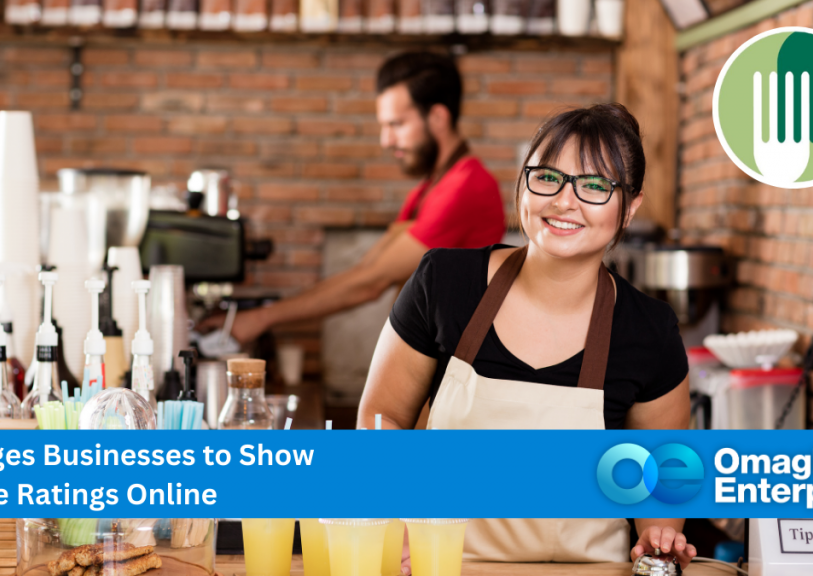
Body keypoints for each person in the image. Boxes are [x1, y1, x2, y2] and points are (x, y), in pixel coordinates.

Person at [358, 103, 698, 566]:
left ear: (630, 207)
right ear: (524, 182)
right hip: (441, 565)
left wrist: (658, 536)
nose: (563, 201)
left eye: (595, 186)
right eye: (547, 177)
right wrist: (391, 516)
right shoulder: (444, 283)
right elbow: (383, 420)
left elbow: (662, 473)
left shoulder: (649, 331)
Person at [199, 52, 506, 342]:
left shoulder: (466, 187)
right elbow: (365, 271)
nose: (386, 140)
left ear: (438, 116)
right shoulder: (429, 188)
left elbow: (369, 284)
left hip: (457, 372)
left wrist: (259, 319)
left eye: (396, 124)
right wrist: (253, 315)